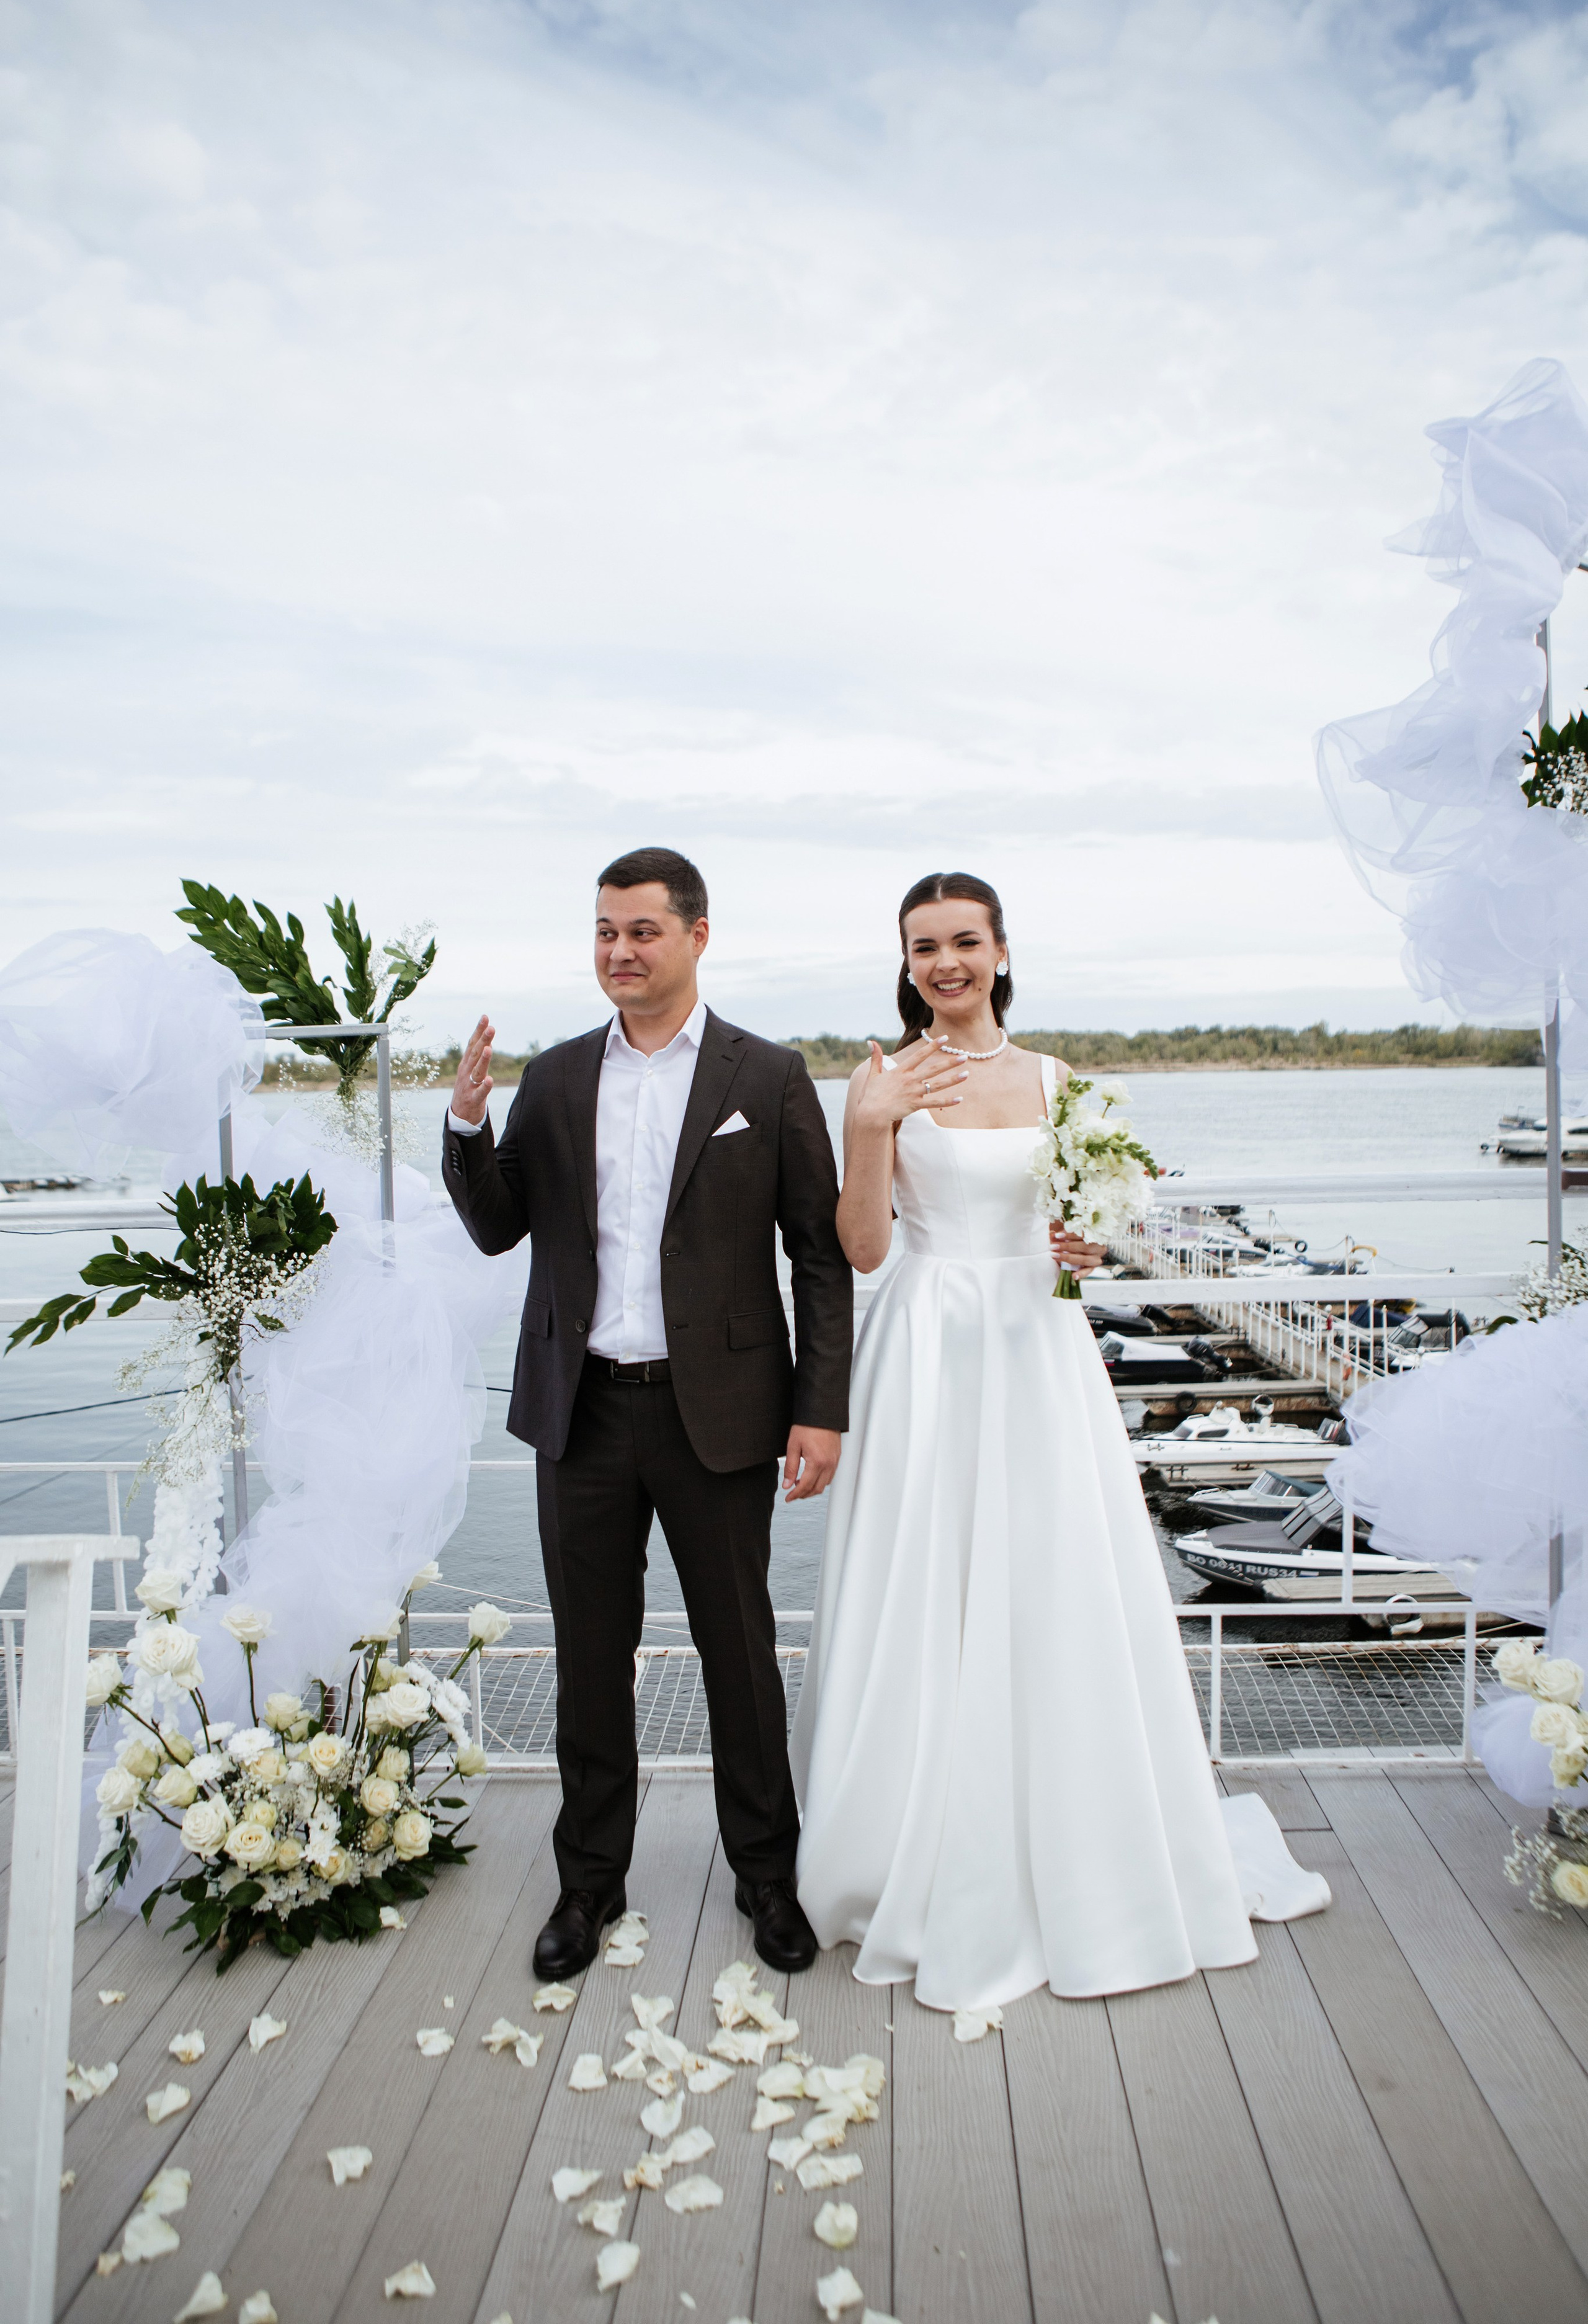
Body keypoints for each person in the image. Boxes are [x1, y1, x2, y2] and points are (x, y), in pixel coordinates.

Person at [791, 870, 1302, 2011]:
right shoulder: (877, 1080)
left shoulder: (1061, 1081)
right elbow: (864, 1249)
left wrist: (1088, 1242)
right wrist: (871, 1128)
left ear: (1003, 951)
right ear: (907, 960)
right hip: (928, 1341)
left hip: (1037, 1346)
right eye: (924, 947)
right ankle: (899, 1839)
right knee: (927, 1580)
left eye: (964, 942)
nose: (945, 965)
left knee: (1052, 1576)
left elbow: (1095, 1225)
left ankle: (1074, 1832)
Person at [444, 847, 852, 1979]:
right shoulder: (560, 1076)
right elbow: (498, 1225)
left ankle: (767, 1877)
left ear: (697, 936)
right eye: (604, 932)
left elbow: (818, 1258)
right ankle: (589, 1885)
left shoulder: (767, 1077)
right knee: (589, 1656)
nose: (619, 952)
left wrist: (821, 1411)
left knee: (741, 1656)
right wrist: (469, 1129)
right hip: (580, 1416)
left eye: (642, 931)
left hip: (719, 1416)